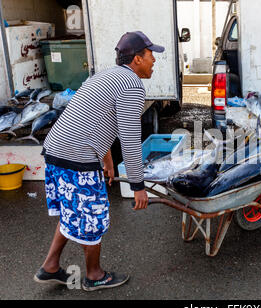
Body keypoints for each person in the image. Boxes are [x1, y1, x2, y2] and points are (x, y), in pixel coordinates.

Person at [33, 31, 165, 291]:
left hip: (56, 151)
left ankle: (50, 267)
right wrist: (138, 185)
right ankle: (94, 275)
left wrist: (106, 158)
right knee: (92, 217)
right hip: (77, 157)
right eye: (151, 55)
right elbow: (129, 137)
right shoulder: (132, 85)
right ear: (137, 59)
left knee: (73, 211)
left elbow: (94, 119)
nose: (154, 61)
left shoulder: (105, 76)